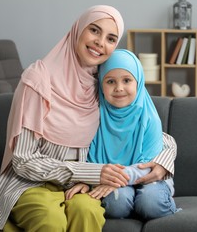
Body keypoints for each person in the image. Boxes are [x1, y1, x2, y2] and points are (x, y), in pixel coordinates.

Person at [0, 5, 177, 232]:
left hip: (78, 186)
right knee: (50, 220)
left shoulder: (99, 84)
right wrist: (93, 173)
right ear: (78, 29)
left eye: (111, 38)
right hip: (30, 184)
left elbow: (143, 130)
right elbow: (23, 161)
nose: (100, 42)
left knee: (89, 212)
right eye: (94, 30)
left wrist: (163, 162)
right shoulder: (38, 80)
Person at [65, 49, 178, 220]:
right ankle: (131, 203)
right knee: (117, 204)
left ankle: (142, 203)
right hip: (108, 181)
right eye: (110, 81)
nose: (119, 88)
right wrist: (86, 180)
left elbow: (148, 166)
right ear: (101, 85)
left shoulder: (149, 118)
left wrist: (116, 178)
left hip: (145, 178)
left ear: (138, 82)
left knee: (150, 202)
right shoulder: (93, 118)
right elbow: (86, 158)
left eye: (127, 80)